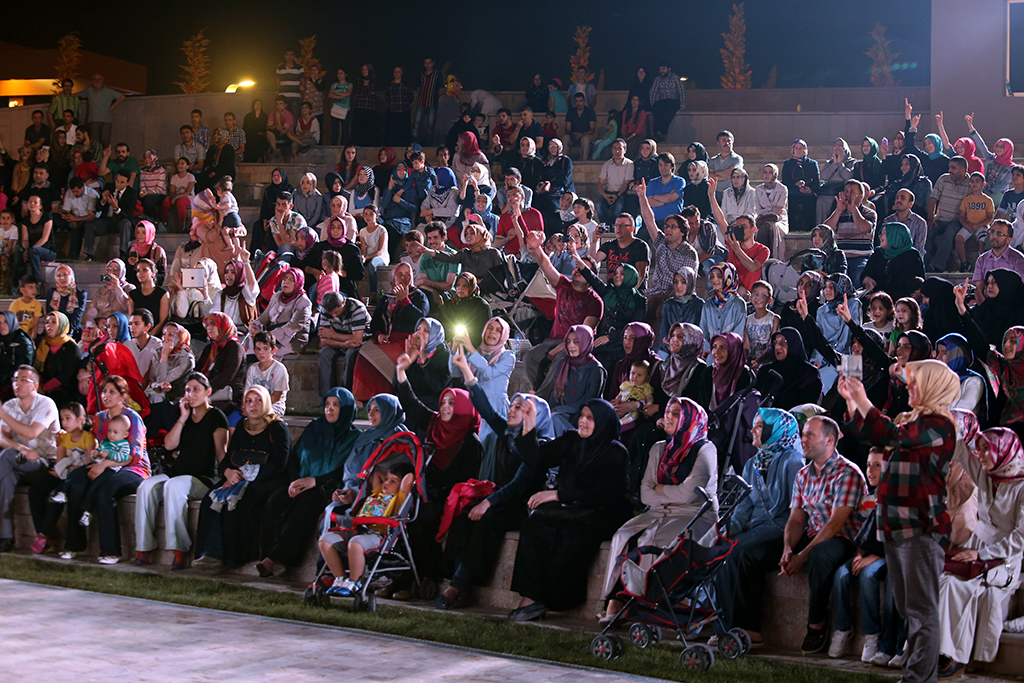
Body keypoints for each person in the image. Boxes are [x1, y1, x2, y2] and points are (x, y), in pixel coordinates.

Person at [839, 361, 960, 683]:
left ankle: (918, 679)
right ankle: (916, 675)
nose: (909, 387)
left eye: (916, 382)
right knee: (910, 612)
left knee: (921, 613)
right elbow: (871, 433)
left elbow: (891, 434)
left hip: (920, 528)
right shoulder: (913, 420)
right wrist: (852, 401)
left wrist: (864, 399)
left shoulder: (941, 425)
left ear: (934, 386)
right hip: (895, 527)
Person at [506, 397, 632, 621]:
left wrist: (557, 495)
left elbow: (605, 494)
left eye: (590, 418)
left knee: (569, 534)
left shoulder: (616, 452)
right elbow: (535, 459)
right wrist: (529, 425)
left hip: (602, 512)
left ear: (602, 422)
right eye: (582, 415)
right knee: (535, 523)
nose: (582, 421)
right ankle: (531, 597)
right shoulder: (570, 440)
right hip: (572, 506)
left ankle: (554, 600)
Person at [599, 396, 719, 623]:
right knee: (623, 535)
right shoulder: (660, 448)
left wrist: (661, 489)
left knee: (650, 541)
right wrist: (667, 494)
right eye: (668, 412)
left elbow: (690, 494)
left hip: (695, 515)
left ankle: (637, 602)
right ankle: (617, 599)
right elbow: (646, 492)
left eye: (676, 413)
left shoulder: (705, 450)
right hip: (660, 511)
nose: (669, 417)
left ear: (689, 420)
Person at [937, 427, 1024, 678]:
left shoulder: (1021, 487)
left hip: (1004, 560)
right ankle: (937, 651)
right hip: (977, 550)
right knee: (944, 581)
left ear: (1005, 451)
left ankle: (955, 657)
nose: (982, 454)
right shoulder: (987, 476)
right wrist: (947, 420)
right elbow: (962, 451)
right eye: (982, 447)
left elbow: (1020, 537)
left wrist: (981, 556)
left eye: (988, 449)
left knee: (957, 587)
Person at [715, 409, 805, 646]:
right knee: (721, 550)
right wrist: (730, 528)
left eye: (759, 426)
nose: (752, 430)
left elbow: (796, 508)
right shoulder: (752, 463)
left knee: (741, 553)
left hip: (780, 529)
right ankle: (724, 625)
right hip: (755, 529)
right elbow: (744, 505)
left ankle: (748, 628)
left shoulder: (792, 460)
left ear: (775, 431)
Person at [779, 415, 867, 654]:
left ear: (829, 440)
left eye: (810, 435)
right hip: (815, 532)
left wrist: (802, 555)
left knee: (819, 555)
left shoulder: (847, 473)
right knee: (760, 549)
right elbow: (796, 519)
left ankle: (817, 624)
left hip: (846, 538)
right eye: (803, 434)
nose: (803, 440)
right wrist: (788, 550)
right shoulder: (803, 475)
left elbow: (835, 524)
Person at [257, 387, 362, 579]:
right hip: (301, 482)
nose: (329, 409)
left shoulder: (354, 437)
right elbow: (294, 456)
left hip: (327, 487)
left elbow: (346, 470)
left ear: (346, 408)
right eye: (327, 404)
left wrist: (316, 481)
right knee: (275, 500)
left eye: (336, 405)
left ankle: (273, 559)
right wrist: (295, 481)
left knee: (306, 506)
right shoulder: (315, 427)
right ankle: (267, 555)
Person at [192, 386, 290, 573]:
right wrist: (228, 472)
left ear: (266, 402)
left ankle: (229, 559)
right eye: (248, 401)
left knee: (237, 503)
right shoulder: (241, 428)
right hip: (236, 477)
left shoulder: (278, 428)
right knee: (210, 499)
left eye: (258, 400)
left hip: (265, 480)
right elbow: (228, 459)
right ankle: (208, 554)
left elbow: (279, 465)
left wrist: (246, 475)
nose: (253, 405)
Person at [135, 372, 228, 569]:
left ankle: (179, 549)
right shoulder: (182, 415)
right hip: (177, 473)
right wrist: (183, 417)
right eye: (188, 390)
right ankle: (143, 547)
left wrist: (226, 479)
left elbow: (222, 452)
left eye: (196, 389)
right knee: (146, 487)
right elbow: (169, 445)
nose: (191, 394)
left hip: (202, 478)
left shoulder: (216, 416)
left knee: (173, 486)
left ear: (207, 392)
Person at [63, 374, 150, 563]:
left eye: (112, 392)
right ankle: (74, 545)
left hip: (133, 469)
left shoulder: (132, 417)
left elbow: (134, 455)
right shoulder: (100, 418)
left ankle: (111, 551)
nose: (106, 396)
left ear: (123, 395)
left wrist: (105, 464)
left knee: (105, 489)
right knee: (76, 484)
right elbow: (94, 445)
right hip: (105, 467)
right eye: (103, 392)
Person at [828, 447, 895, 662]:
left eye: (878, 465)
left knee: (868, 574)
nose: (871, 471)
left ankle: (872, 634)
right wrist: (858, 554)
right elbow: (862, 535)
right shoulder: (867, 500)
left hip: (887, 556)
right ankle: (842, 628)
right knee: (841, 574)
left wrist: (872, 557)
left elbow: (894, 540)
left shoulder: (896, 499)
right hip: (867, 553)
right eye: (869, 465)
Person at [320, 462, 415, 596]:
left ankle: (354, 582)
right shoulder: (377, 493)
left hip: (378, 535)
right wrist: (390, 476)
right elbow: (376, 473)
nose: (386, 483)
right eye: (386, 479)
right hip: (357, 530)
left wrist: (410, 473)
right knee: (325, 540)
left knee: (355, 544)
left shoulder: (399, 498)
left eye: (393, 481)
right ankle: (340, 579)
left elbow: (409, 478)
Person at [0, 365, 60, 553]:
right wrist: (21, 448)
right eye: (15, 379)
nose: (17, 384)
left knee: (6, 457)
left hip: (45, 462)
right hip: (19, 460)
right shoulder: (10, 405)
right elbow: (2, 437)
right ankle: (6, 538)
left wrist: (1, 414)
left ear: (35, 385)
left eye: (23, 380)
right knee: (5, 479)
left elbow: (31, 432)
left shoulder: (46, 404)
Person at [352, 262, 430, 402]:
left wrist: (404, 300)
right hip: (387, 339)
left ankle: (385, 398)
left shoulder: (419, 296)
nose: (404, 278)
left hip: (408, 341)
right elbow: (375, 322)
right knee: (363, 353)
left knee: (390, 357)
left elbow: (420, 318)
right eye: (399, 274)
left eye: (407, 274)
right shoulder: (387, 297)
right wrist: (379, 335)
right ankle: (362, 397)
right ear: (393, 278)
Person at [824, 179, 877, 288]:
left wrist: (854, 210)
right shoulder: (839, 212)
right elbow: (826, 230)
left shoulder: (869, 213)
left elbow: (864, 228)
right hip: (841, 257)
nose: (848, 195)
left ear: (861, 196)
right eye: (846, 191)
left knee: (858, 278)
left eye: (852, 192)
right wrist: (838, 210)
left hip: (861, 257)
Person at [250, 267, 312, 356]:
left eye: (291, 280)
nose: (286, 282)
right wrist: (254, 325)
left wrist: (266, 336)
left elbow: (293, 326)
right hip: (269, 336)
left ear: (298, 282)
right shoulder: (276, 296)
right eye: (284, 278)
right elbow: (265, 317)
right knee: (248, 343)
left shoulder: (304, 302)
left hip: (291, 341)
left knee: (262, 352)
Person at [757, 327, 823, 410]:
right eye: (775, 343)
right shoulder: (767, 370)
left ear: (794, 344)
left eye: (783, 343)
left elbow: (808, 407)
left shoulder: (809, 373)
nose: (777, 347)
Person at [926, 156, 971, 273]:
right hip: (940, 219)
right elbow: (932, 200)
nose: (950, 170)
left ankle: (936, 266)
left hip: (957, 221)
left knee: (950, 233)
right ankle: (925, 262)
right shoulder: (943, 179)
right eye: (949, 167)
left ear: (963, 170)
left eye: (953, 168)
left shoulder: (970, 184)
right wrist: (930, 218)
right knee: (927, 233)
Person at [861, 222, 926, 302]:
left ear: (895, 236)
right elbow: (866, 273)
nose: (880, 236)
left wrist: (880, 295)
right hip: (876, 296)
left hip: (901, 298)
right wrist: (866, 279)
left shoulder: (911, 255)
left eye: (884, 233)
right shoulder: (879, 253)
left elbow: (903, 284)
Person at [80, 169, 135, 261]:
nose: (118, 184)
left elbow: (128, 216)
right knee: (89, 225)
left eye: (122, 182)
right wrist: (103, 201)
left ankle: (123, 253)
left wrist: (116, 208)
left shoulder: (132, 193)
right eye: (117, 181)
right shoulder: (109, 187)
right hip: (106, 220)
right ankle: (89, 254)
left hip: (119, 221)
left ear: (127, 183)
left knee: (126, 223)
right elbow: (98, 208)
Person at [145, 322, 195, 407]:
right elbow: (153, 380)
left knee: (158, 397)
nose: (165, 338)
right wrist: (157, 385)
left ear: (180, 337)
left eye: (170, 335)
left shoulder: (187, 359)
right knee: (154, 395)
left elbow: (163, 379)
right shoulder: (158, 352)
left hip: (177, 394)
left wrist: (164, 356)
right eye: (164, 334)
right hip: (158, 390)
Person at [699, 262, 745, 349]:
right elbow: (703, 332)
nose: (714, 280)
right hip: (710, 355)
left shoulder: (738, 304)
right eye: (712, 276)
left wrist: (722, 350)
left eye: (719, 276)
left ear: (729, 277)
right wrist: (710, 351)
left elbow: (738, 334)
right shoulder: (708, 304)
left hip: (730, 354)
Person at [956, 172, 995, 272]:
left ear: (983, 184)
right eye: (972, 181)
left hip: (982, 225)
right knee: (958, 238)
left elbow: (990, 217)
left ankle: (982, 263)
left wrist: (978, 225)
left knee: (982, 241)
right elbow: (961, 216)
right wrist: (966, 224)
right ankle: (965, 263)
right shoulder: (966, 200)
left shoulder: (988, 200)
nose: (974, 183)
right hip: (969, 225)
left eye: (977, 181)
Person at [782, 139, 820, 233]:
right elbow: (785, 181)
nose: (798, 150)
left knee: (811, 199)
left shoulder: (812, 164)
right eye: (796, 148)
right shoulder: (787, 164)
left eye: (801, 148)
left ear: (805, 150)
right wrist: (795, 184)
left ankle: (809, 228)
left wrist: (810, 189)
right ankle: (793, 227)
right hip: (793, 190)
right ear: (793, 150)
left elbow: (816, 182)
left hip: (808, 191)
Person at [18, 194, 56, 284]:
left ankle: (37, 283)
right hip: (31, 250)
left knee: (34, 250)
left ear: (40, 206)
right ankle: (17, 283)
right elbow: (25, 239)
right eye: (30, 202)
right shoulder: (25, 220)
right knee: (18, 251)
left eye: (35, 202)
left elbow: (45, 238)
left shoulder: (47, 217)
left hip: (47, 250)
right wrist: (26, 250)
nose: (32, 204)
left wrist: (31, 250)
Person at [77, 73, 124, 146]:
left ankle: (106, 157)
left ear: (102, 80)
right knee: (94, 143)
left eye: (99, 79)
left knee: (105, 142)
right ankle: (97, 157)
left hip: (106, 120)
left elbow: (122, 97)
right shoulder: (89, 90)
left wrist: (113, 106)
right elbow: (77, 94)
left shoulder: (108, 91)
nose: (97, 81)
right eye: (95, 79)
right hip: (93, 120)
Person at [596, 139, 633, 223]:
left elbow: (626, 183)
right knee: (598, 204)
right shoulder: (607, 164)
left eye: (620, 148)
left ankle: (615, 226)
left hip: (621, 193)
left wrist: (618, 195)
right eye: (614, 148)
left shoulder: (629, 164)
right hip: (608, 191)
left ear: (625, 150)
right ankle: (605, 225)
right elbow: (600, 182)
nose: (617, 151)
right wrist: (605, 195)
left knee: (618, 207)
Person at [126, 220, 167, 288]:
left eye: (144, 233)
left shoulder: (157, 250)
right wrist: (130, 265)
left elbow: (162, 275)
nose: (140, 235)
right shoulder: (131, 249)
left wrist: (149, 276)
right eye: (138, 232)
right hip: (134, 288)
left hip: (152, 288)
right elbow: (126, 274)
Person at [649, 63, 684, 139]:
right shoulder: (658, 79)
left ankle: (662, 132)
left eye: (664, 69)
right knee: (657, 109)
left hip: (673, 101)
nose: (662, 71)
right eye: (660, 69)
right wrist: (653, 105)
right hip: (663, 101)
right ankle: (657, 132)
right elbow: (652, 92)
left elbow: (681, 92)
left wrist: (682, 106)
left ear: (669, 69)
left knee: (668, 111)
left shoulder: (675, 78)